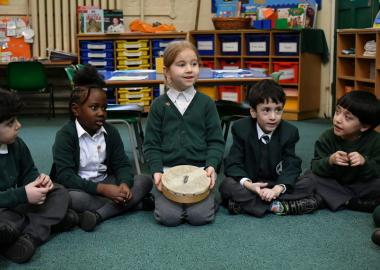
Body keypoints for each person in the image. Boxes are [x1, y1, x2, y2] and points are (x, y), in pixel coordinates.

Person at [50, 65, 153, 232]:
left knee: (145, 180)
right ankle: (136, 204)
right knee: (69, 198)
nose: (101, 113)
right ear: (76, 110)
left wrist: (124, 184)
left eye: (104, 108)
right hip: (80, 188)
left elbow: (121, 165)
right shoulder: (65, 135)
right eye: (94, 108)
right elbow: (65, 176)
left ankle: (99, 215)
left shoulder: (110, 132)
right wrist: (102, 190)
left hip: (107, 181)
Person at [143, 40, 225, 226]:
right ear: (166, 71)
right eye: (181, 65)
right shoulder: (158, 105)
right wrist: (156, 170)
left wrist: (211, 165)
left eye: (194, 64)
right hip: (168, 174)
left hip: (199, 174)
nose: (189, 69)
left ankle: (209, 199)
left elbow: (215, 141)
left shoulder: (206, 103)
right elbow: (151, 144)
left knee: (200, 217)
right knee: (168, 218)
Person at [219, 79, 320, 217]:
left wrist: (277, 189)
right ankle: (280, 206)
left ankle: (245, 205)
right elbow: (232, 163)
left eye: (278, 110)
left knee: (310, 181)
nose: (273, 117)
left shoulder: (289, 132)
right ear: (253, 112)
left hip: (276, 183)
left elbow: (292, 165)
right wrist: (250, 186)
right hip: (252, 184)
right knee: (226, 185)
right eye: (266, 110)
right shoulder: (241, 128)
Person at [0, 89, 72, 263]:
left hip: (17, 205)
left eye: (16, 119)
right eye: (10, 123)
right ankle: (51, 221)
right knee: (5, 224)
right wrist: (23, 194)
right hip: (6, 208)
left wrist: (39, 181)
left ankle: (29, 238)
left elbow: (28, 172)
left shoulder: (16, 144)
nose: (18, 125)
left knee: (59, 192)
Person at [306, 90, 380, 213]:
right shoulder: (327, 137)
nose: (338, 119)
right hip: (334, 183)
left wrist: (365, 163)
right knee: (308, 178)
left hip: (360, 185)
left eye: (348, 117)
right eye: (337, 111)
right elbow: (315, 166)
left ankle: (331, 199)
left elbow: (377, 170)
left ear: (364, 126)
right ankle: (351, 202)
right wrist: (330, 161)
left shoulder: (376, 141)